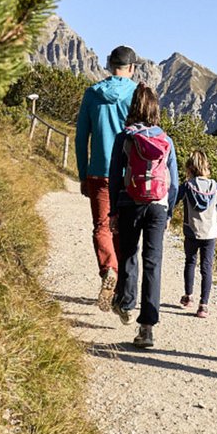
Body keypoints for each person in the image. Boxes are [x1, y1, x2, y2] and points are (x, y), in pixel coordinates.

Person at [107, 84, 179, 349]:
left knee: (128, 254)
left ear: (134, 106)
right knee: (153, 263)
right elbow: (175, 182)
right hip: (158, 206)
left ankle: (126, 303)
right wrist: (169, 210)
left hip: (129, 202)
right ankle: (147, 328)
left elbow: (114, 177)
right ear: (155, 108)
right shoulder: (166, 140)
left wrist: (113, 210)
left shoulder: (125, 137)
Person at [74, 45, 140, 309]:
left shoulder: (92, 94)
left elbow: (81, 138)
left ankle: (107, 270)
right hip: (129, 175)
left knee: (101, 226)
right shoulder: (137, 94)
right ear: (132, 68)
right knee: (123, 231)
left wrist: (82, 174)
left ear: (108, 65)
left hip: (99, 172)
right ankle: (122, 287)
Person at [175, 149, 217, 318]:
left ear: (189, 169)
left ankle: (188, 297)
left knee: (190, 262)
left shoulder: (187, 186)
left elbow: (173, 201)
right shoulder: (216, 187)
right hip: (210, 232)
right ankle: (203, 305)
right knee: (207, 267)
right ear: (206, 167)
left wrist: (167, 216)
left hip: (191, 230)